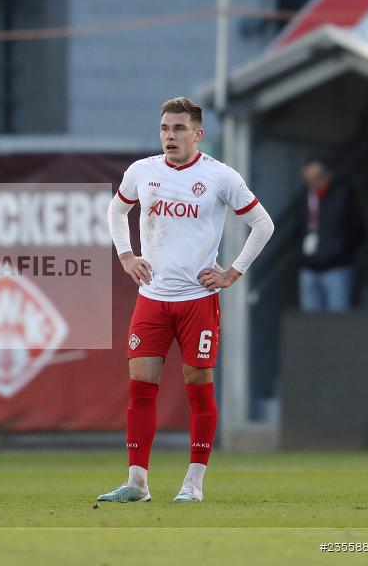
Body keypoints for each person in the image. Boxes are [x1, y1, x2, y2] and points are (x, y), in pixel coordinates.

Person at [98, 97, 274, 503]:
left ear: (198, 134)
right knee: (141, 388)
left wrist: (233, 271)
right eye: (164, 129)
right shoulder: (142, 171)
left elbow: (262, 224)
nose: (169, 137)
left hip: (198, 299)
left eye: (178, 129)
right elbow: (116, 210)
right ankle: (137, 483)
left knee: (199, 388)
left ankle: (193, 483)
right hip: (152, 299)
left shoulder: (220, 177)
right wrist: (126, 254)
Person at [297, 157, 362, 312]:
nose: (313, 183)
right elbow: (299, 228)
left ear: (327, 175)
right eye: (308, 180)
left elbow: (357, 228)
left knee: (337, 316)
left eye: (316, 178)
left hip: (337, 266)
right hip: (309, 266)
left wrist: (341, 251)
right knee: (309, 319)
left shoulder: (342, 194)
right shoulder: (305, 197)